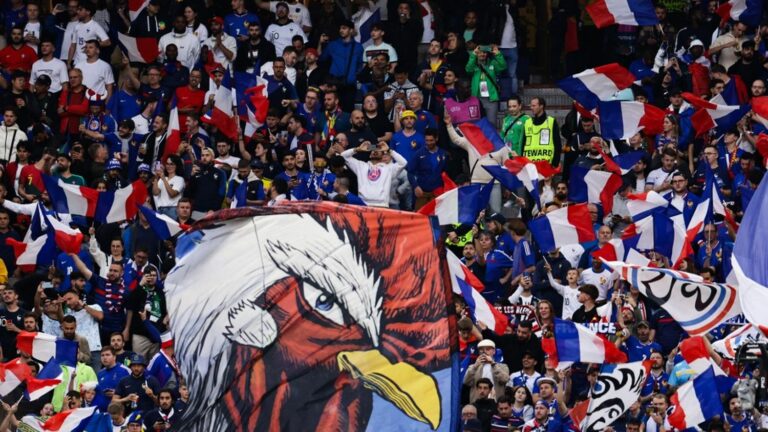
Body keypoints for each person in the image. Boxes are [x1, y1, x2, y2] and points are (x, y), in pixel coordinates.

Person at [341, 141, 407, 207]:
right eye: (373, 150)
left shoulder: (389, 168)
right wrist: (358, 149)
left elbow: (403, 162)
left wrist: (389, 150)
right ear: (369, 155)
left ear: (382, 156)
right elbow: (343, 156)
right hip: (363, 204)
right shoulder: (361, 166)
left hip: (382, 205)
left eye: (378, 150)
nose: (375, 151)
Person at [466, 44, 506, 122]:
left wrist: (498, 54)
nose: (482, 54)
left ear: (487, 54)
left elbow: (503, 66)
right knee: (476, 123)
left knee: (491, 123)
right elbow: (468, 69)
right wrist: (473, 55)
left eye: (484, 52)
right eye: (480, 52)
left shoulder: (492, 64)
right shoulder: (474, 65)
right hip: (477, 98)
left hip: (491, 99)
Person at [521, 97, 561, 167]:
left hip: (546, 166)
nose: (531, 108)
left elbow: (557, 145)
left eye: (534, 106)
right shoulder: (527, 123)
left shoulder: (551, 122)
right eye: (531, 106)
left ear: (541, 106)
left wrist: (554, 165)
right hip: (530, 166)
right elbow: (523, 145)